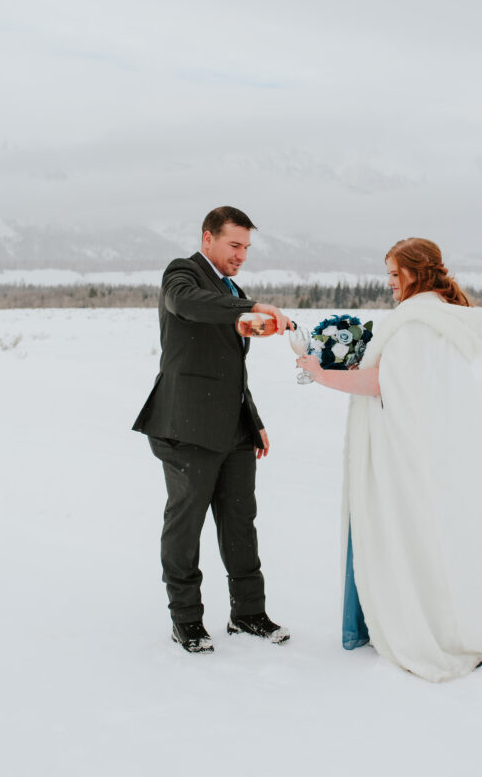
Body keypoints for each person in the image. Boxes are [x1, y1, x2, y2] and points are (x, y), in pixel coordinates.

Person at [297, 238, 482, 682]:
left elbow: (384, 384)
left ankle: (428, 622)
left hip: (406, 453)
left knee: (408, 534)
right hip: (441, 446)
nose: (389, 283)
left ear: (418, 272)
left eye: (395, 274)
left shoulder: (413, 324)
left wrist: (320, 374)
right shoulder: (441, 317)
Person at [133, 206, 292, 653]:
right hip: (186, 425)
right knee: (185, 526)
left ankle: (248, 614)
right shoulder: (182, 274)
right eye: (234, 245)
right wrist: (248, 306)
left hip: (234, 428)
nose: (241, 255)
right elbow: (184, 303)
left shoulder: (231, 289)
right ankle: (185, 620)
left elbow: (231, 367)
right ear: (208, 239)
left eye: (246, 247)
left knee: (241, 522)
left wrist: (253, 419)